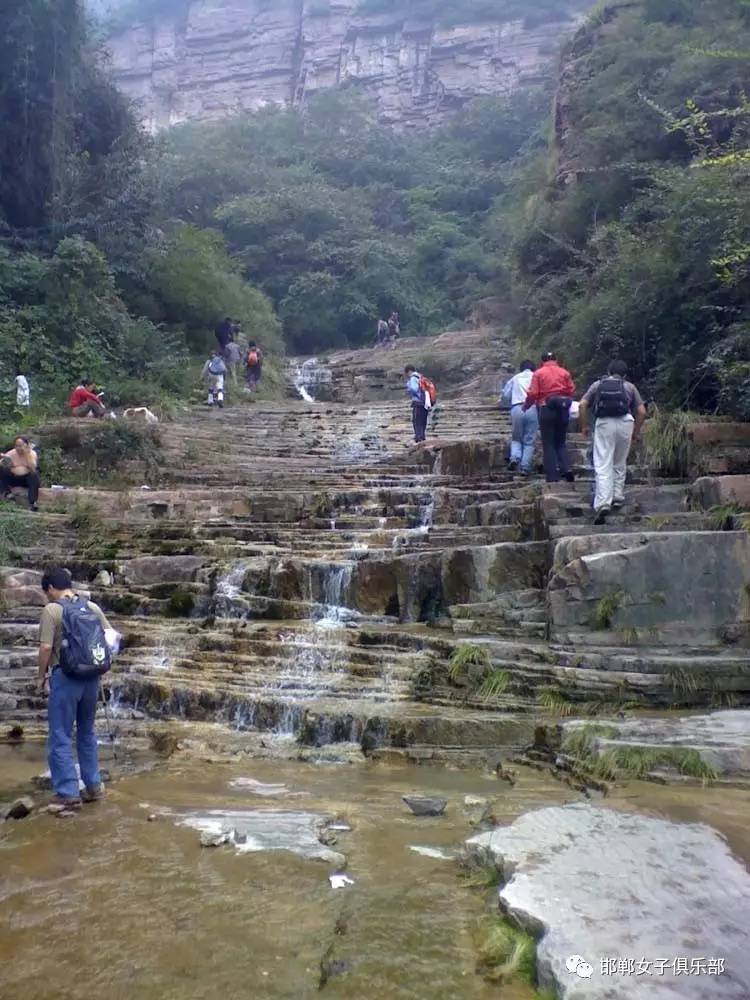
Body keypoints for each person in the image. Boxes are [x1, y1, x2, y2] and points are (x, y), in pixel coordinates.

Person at [37, 567, 114, 814]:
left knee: (60, 734)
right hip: (91, 678)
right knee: (86, 731)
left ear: (50, 588)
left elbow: (46, 647)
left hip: (66, 677)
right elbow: (111, 637)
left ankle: (68, 793)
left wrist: (42, 676)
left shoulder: (52, 610)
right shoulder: (91, 607)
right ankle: (93, 786)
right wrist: (102, 665)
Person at [579, 360, 647, 524]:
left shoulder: (598, 385)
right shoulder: (629, 387)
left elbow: (582, 405)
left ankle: (603, 503)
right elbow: (642, 412)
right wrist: (635, 432)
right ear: (624, 374)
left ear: (609, 371)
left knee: (603, 463)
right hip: (626, 422)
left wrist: (584, 426)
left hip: (604, 423)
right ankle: (617, 496)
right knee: (619, 461)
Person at [523, 352, 576, 483]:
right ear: (555, 359)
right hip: (562, 409)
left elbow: (533, 393)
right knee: (561, 442)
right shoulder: (564, 372)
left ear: (542, 361)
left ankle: (552, 476)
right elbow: (571, 390)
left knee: (549, 444)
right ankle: (567, 468)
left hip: (546, 408)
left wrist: (527, 405)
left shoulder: (539, 373)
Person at [501, 361, 538, 476]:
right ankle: (525, 467)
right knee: (529, 440)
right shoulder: (536, 377)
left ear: (521, 368)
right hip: (532, 408)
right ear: (533, 368)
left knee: (516, 437)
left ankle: (515, 458)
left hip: (517, 408)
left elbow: (505, 395)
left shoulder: (515, 378)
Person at [1, 436, 40, 511]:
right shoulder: (11, 453)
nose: (18, 448)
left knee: (34, 475)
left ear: (26, 445)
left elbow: (33, 468)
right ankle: (7, 494)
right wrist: (3, 460)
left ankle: (33, 502)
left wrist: (27, 454)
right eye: (16, 446)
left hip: (26, 480)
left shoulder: (32, 453)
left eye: (20, 446)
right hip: (14, 478)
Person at [405, 365, 431, 444]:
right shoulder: (421, 377)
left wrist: (410, 390)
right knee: (423, 421)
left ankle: (419, 438)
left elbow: (413, 388)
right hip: (425, 402)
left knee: (416, 421)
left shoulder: (413, 378)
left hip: (418, 402)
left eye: (407, 373)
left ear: (409, 371)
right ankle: (422, 437)